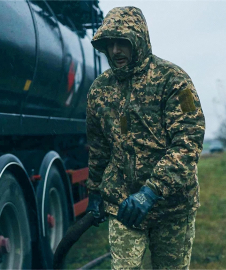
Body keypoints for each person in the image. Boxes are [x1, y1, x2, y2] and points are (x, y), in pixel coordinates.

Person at [85, 6, 205, 270]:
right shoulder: (99, 91)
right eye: (110, 43)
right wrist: (94, 192)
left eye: (122, 42)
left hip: (172, 207)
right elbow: (98, 148)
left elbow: (188, 143)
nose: (115, 51)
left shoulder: (173, 80)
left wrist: (150, 192)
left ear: (138, 40)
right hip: (123, 205)